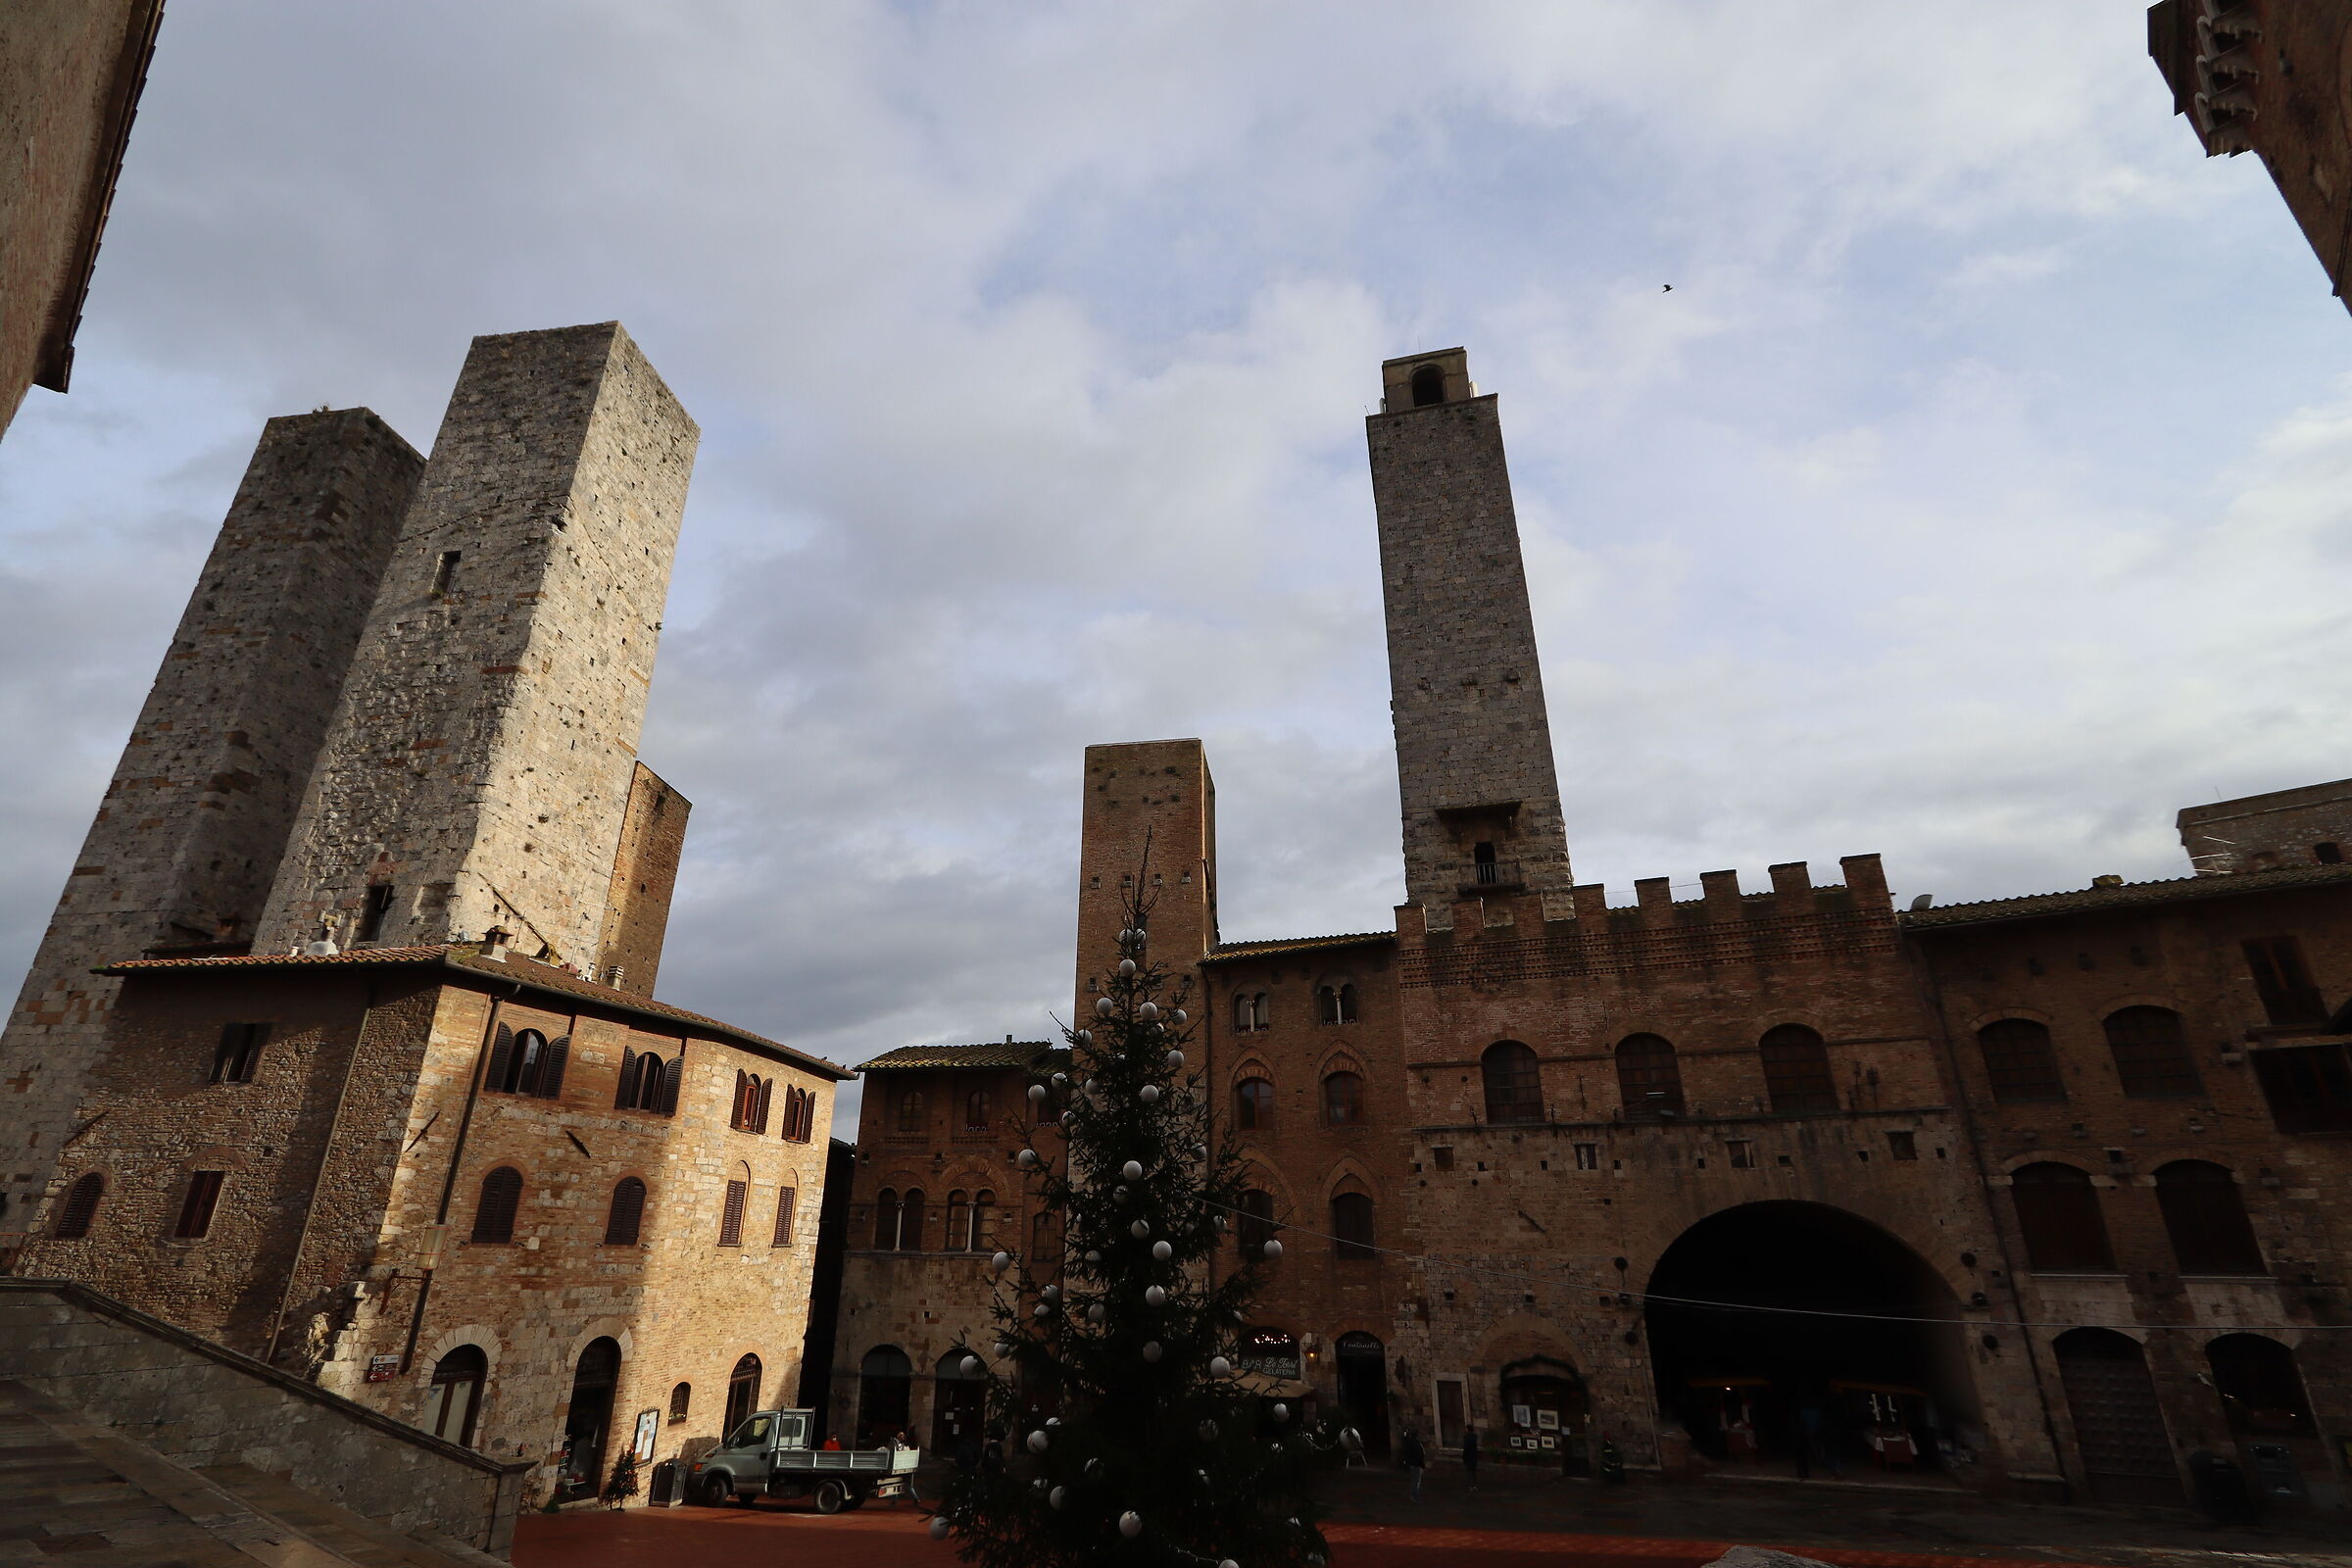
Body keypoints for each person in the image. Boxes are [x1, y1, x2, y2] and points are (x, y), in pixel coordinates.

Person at [1397, 1428, 1427, 1501]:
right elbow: (1420, 1455)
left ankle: (1413, 1495)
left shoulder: (1408, 1442)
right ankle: (1415, 1496)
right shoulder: (1416, 1443)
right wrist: (1422, 1465)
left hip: (1412, 1464)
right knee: (1416, 1481)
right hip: (1416, 1464)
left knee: (1414, 1481)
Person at [1461, 1424, 1480, 1493]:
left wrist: (1464, 1456)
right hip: (1474, 1456)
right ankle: (1475, 1486)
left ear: (1468, 1429)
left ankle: (1471, 1486)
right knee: (1473, 1472)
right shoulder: (1475, 1437)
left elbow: (1466, 1447)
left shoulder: (1466, 1437)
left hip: (1469, 1456)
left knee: (1469, 1472)